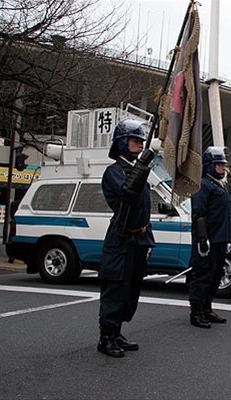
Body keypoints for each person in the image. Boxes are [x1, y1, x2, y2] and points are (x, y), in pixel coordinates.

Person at [97, 119, 156, 358]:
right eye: (135, 140)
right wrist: (142, 166)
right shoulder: (113, 171)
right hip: (120, 238)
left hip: (138, 239)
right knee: (116, 288)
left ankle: (117, 331)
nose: (140, 144)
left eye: (141, 141)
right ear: (122, 143)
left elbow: (143, 208)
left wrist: (148, 239)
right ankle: (106, 337)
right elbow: (128, 195)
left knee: (130, 289)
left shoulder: (135, 170)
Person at [188, 146, 231, 328]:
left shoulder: (218, 185)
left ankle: (207, 308)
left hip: (220, 239)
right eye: (219, 165)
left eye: (224, 166)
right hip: (209, 239)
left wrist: (228, 239)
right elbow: (199, 214)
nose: (223, 169)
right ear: (209, 166)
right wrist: (202, 238)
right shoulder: (203, 185)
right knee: (202, 275)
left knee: (215, 275)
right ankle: (196, 311)